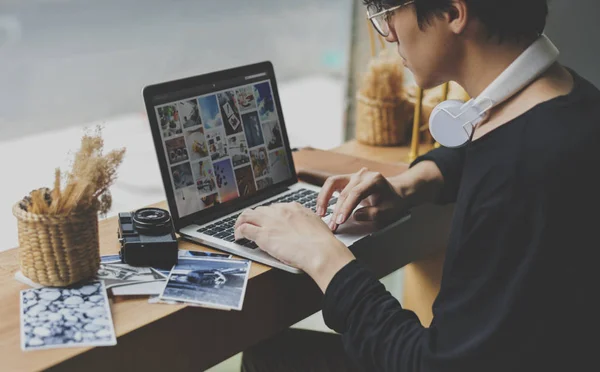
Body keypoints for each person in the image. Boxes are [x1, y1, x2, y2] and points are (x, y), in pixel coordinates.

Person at [235, 0, 600, 371]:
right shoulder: (570, 100)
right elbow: (482, 151)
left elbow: (431, 364)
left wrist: (324, 257)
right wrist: (412, 183)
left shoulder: (519, 176)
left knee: (270, 361)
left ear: (455, 13)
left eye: (388, 12)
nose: (389, 32)